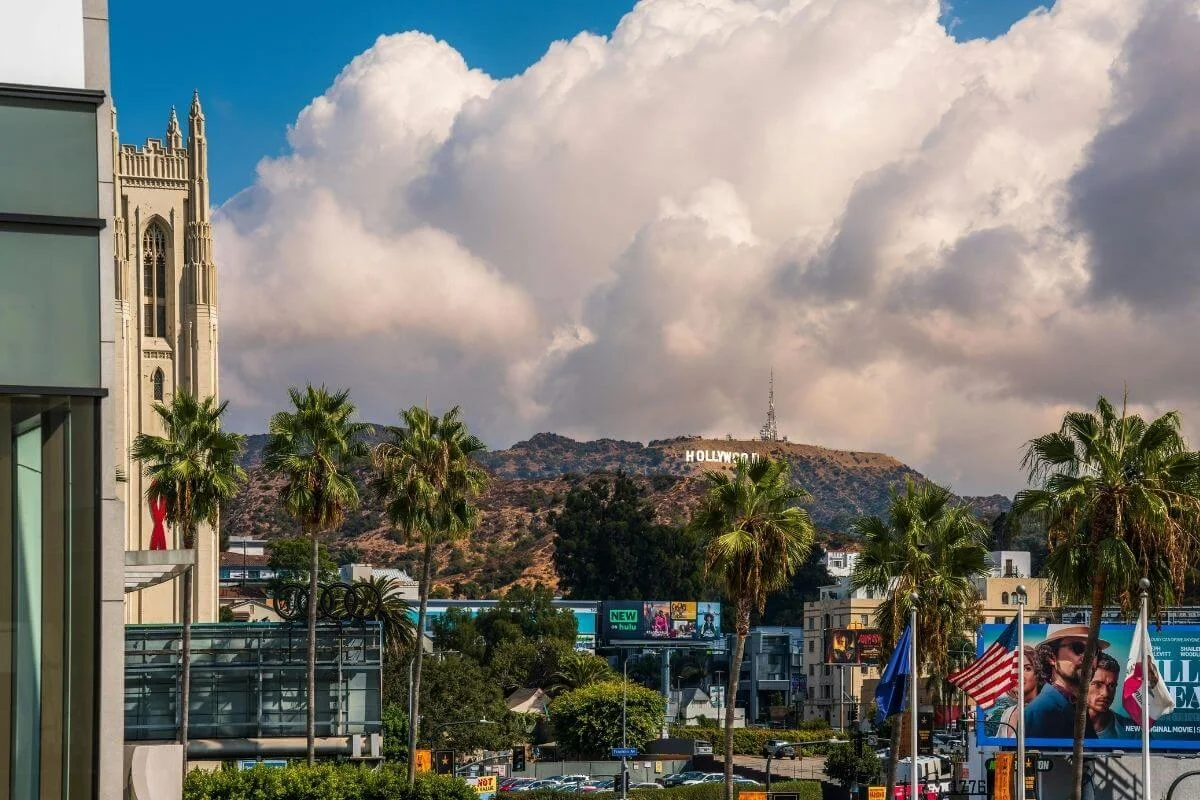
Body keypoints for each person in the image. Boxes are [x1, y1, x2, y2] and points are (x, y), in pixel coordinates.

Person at [1025, 625, 1110, 739]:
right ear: (1051, 657)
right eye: (1078, 648)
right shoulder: (1041, 711)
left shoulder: (1076, 705)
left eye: (1093, 650)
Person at [985, 645, 1041, 737]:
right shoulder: (1007, 713)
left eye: (1026, 669)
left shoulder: (1044, 711)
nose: (1018, 674)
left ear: (1038, 674)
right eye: (1013, 669)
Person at [1087, 653, 1127, 739]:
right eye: (1098, 684)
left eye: (1111, 686)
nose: (1105, 693)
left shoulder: (1131, 732)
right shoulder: (1061, 721)